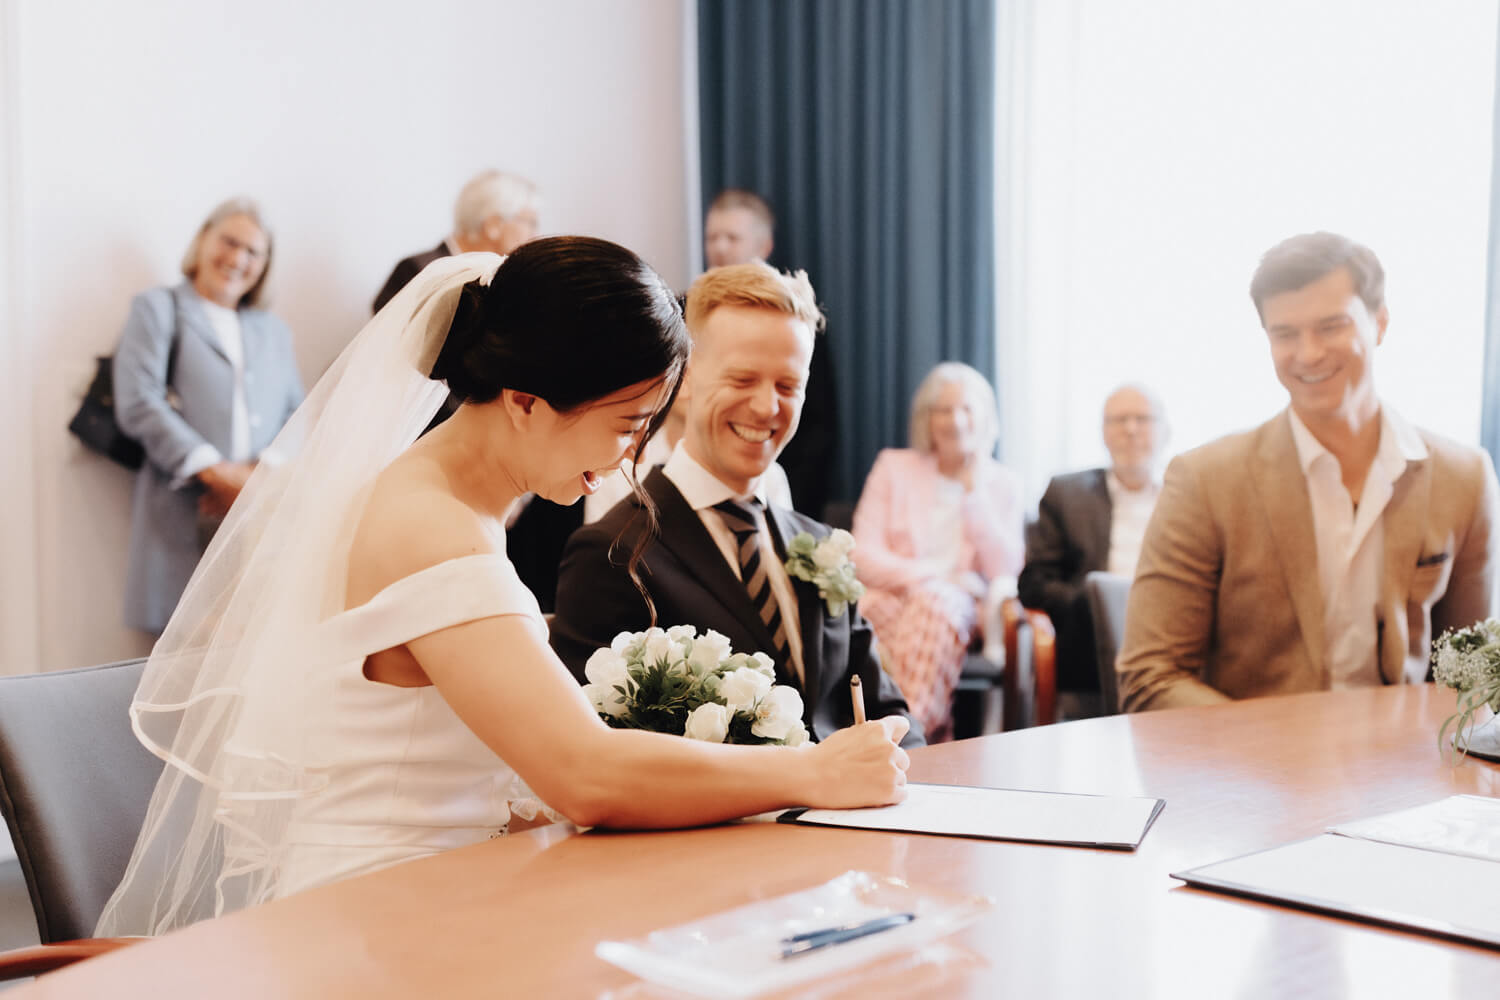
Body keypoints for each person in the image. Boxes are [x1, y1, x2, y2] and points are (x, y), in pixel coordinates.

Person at [97, 238, 910, 938]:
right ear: (525, 401)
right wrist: (813, 771)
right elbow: (583, 772)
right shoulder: (428, 525)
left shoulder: (457, 510)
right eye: (628, 426)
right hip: (382, 916)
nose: (632, 461)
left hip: (463, 884)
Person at [1117, 232, 1500, 712]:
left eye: (1332, 326)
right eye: (1285, 334)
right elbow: (1149, 678)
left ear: (1379, 322)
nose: (1309, 353)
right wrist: (1288, 759)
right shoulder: (1204, 480)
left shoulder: (1464, 477)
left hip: (1407, 772)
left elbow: (1471, 678)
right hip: (1253, 773)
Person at [550, 262, 925, 748]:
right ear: (681, 379)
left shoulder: (821, 544)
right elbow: (593, 751)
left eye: (788, 386)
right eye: (743, 379)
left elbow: (888, 714)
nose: (768, 407)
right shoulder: (615, 552)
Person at [113, 197, 304, 634]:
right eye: (229, 241)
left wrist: (253, 481)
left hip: (257, 519)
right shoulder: (158, 308)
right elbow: (139, 401)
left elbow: (298, 415)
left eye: (253, 251)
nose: (237, 258)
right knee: (177, 662)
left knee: (246, 648)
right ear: (203, 240)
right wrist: (219, 476)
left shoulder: (273, 330)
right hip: (181, 511)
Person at [851, 363, 1025, 740]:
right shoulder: (893, 467)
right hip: (892, 595)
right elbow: (861, 553)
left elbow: (1005, 569)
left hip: (957, 606)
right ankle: (910, 735)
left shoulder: (1003, 483)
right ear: (926, 419)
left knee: (932, 606)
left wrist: (974, 493)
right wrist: (928, 577)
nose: (955, 421)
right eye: (943, 410)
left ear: (985, 418)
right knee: (872, 615)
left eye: (966, 409)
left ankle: (906, 738)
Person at [1018, 384, 1167, 704]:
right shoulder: (1066, 493)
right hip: (1093, 635)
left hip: (1168, 627)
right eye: (1119, 420)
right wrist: (1096, 603)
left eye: (1142, 419)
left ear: (1164, 430)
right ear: (1103, 432)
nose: (1130, 429)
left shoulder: (1185, 494)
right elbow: (1034, 583)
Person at [703, 189, 838, 518]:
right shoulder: (686, 314)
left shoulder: (796, 322)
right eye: (712, 237)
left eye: (732, 237)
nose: (719, 247)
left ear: (763, 247)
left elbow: (819, 427)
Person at [371, 169, 540, 313]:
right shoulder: (415, 270)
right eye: (531, 222)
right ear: (493, 225)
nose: (535, 233)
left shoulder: (507, 278)